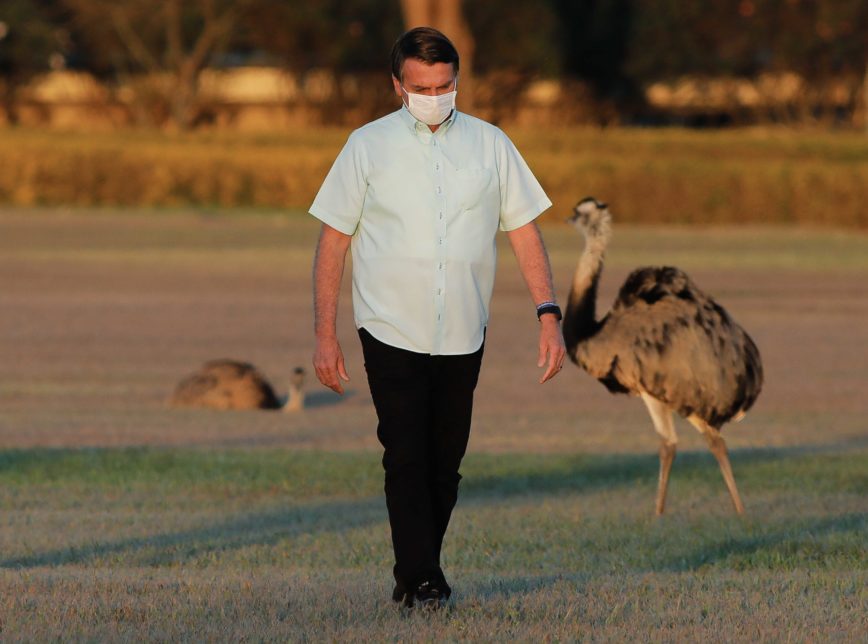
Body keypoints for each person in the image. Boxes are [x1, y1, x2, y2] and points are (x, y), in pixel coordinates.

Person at [310, 26, 565, 609]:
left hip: (463, 328)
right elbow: (332, 242)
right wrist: (325, 334)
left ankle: (416, 572)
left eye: (445, 85)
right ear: (398, 84)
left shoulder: (491, 143)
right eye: (421, 86)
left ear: (457, 82)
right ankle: (424, 580)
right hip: (389, 325)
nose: (434, 96)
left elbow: (524, 229)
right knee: (404, 453)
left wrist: (547, 312)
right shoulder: (365, 146)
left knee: (445, 463)